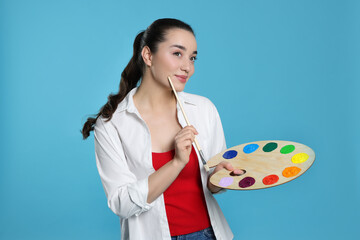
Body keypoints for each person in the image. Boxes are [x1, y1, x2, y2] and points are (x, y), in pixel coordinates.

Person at [82, 18, 242, 240]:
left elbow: (211, 185)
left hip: (208, 234)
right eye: (177, 53)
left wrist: (221, 178)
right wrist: (176, 163)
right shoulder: (112, 124)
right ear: (148, 56)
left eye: (192, 58)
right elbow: (121, 204)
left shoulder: (203, 109)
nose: (188, 67)